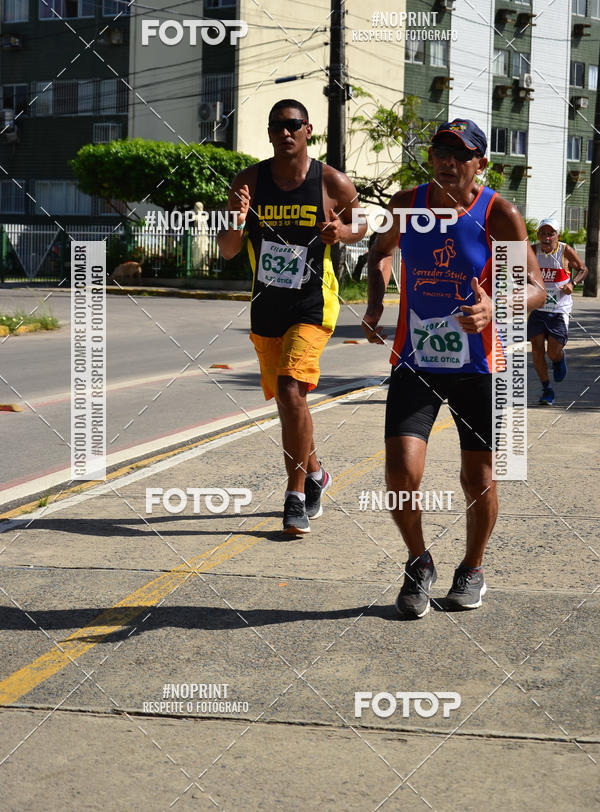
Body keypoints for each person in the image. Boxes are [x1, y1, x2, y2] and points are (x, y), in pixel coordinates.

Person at [362, 119, 546, 617]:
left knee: (478, 476)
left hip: (481, 365)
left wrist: (496, 307)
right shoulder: (405, 205)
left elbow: (535, 287)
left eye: (459, 155)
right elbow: (379, 254)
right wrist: (377, 303)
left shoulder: (498, 213)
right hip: (416, 359)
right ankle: (418, 562)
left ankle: (472, 568)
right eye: (439, 152)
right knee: (401, 471)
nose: (447, 162)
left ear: (481, 165)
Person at [218, 99, 366, 535]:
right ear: (269, 133)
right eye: (277, 125)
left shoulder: (332, 181)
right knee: (290, 401)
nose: (285, 132)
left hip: (312, 302)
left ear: (308, 130)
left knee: (289, 387)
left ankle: (295, 494)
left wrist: (343, 232)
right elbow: (228, 249)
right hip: (266, 305)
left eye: (293, 125)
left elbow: (363, 224)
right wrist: (237, 219)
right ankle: (317, 472)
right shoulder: (249, 182)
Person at [528, 219, 587, 405]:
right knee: (537, 349)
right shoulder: (532, 251)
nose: (547, 238)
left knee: (552, 352)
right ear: (538, 235)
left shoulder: (565, 250)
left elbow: (583, 269)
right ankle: (547, 390)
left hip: (559, 309)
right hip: (538, 308)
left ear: (557, 236)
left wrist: (572, 283)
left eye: (550, 234)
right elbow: (519, 271)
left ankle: (558, 358)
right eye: (543, 233)